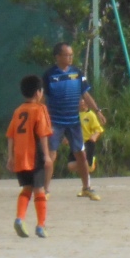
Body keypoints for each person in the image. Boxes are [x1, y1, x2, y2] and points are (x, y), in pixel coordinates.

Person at [42, 42, 106, 200]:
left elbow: (86, 94)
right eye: (67, 55)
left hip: (73, 122)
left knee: (81, 155)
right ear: (58, 56)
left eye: (71, 55)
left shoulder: (77, 73)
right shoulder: (49, 75)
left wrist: (97, 111)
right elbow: (43, 99)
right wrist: (41, 118)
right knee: (51, 155)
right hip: (55, 122)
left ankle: (87, 188)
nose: (70, 58)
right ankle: (45, 191)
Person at [6, 75, 53, 239]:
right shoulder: (40, 109)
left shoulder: (18, 111)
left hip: (20, 156)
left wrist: (10, 157)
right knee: (39, 190)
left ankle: (20, 218)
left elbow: (10, 135)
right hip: (34, 156)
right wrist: (46, 156)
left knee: (26, 188)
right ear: (38, 92)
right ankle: (41, 226)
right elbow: (43, 134)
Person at [66, 105, 105, 175]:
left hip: (87, 143)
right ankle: (87, 165)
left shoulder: (90, 115)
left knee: (84, 163)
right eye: (80, 100)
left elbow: (98, 129)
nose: (82, 102)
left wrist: (94, 136)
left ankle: (89, 164)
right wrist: (66, 138)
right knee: (70, 166)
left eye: (84, 100)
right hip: (76, 143)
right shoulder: (73, 115)